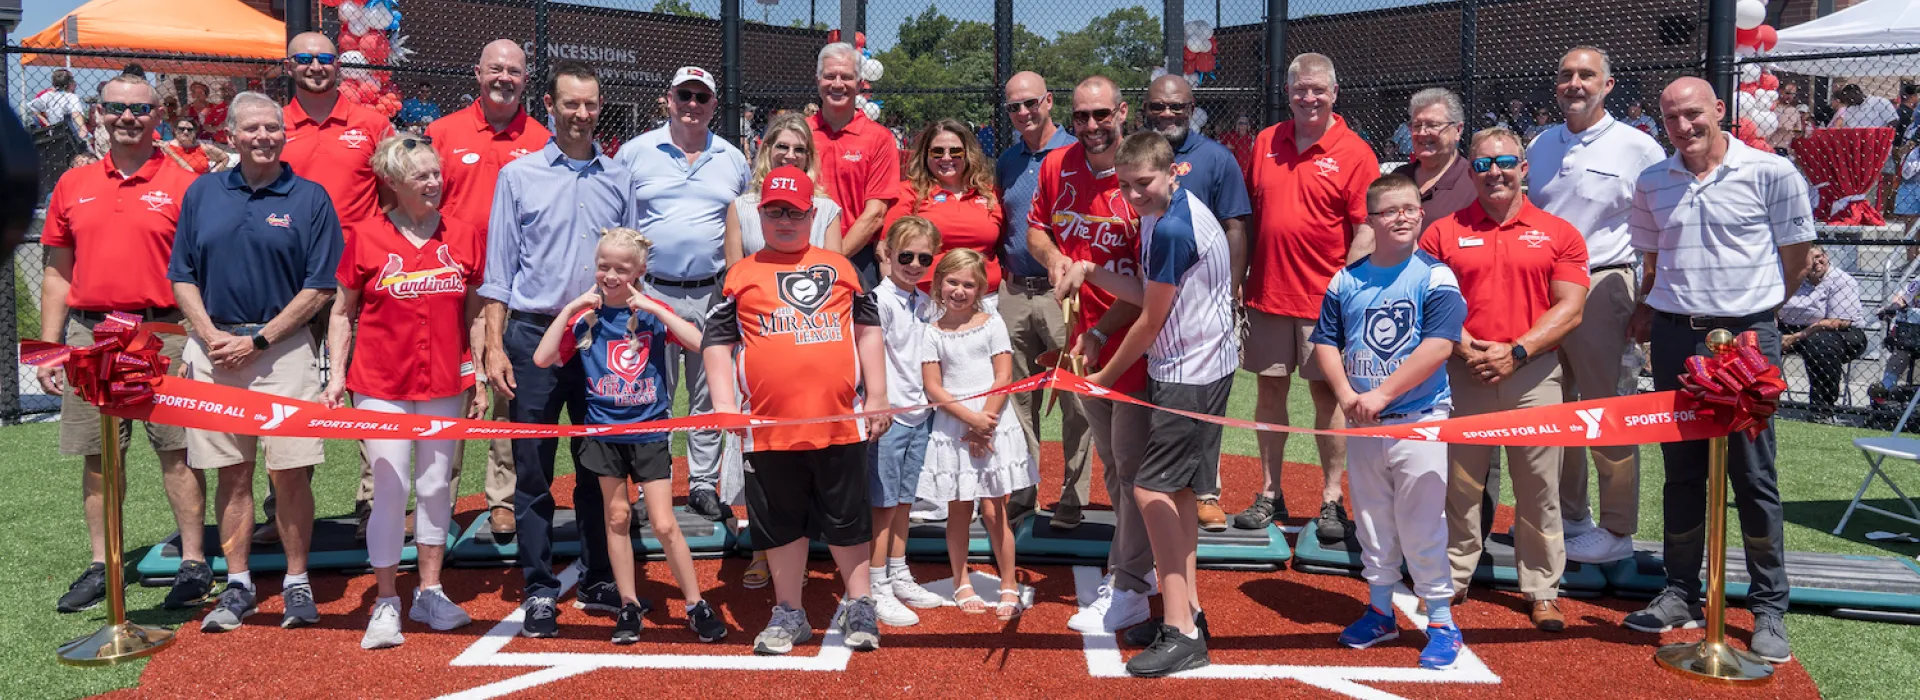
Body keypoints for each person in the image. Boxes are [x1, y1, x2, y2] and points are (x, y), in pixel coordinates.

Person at [1623, 76, 1812, 665]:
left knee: (1753, 475)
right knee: (1681, 471)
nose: (1684, 126)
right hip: (1678, 337)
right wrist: (1649, 311)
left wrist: (1755, 315)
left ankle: (1768, 608)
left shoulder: (1771, 173)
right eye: (1672, 117)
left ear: (1720, 110)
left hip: (1747, 338)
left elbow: (1797, 259)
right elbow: (1651, 263)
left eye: (1694, 113)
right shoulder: (1653, 180)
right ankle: (1679, 591)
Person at [168, 91, 343, 633]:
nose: (264, 137)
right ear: (232, 136)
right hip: (215, 348)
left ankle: (296, 582)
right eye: (252, 129)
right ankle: (238, 583)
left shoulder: (310, 197)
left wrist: (259, 341)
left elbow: (319, 288)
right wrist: (210, 335)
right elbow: (182, 275)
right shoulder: (202, 192)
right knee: (232, 475)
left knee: (291, 473)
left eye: (273, 127)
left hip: (283, 351)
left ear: (283, 134)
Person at [1065, 131, 1238, 676]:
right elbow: (1149, 291)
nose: (1134, 195)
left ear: (1171, 173)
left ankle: (1181, 631)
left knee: (1151, 488)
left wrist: (1104, 377)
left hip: (1191, 370)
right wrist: (1091, 270)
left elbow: (1150, 320)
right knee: (1176, 492)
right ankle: (1186, 612)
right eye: (1125, 186)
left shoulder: (1171, 227)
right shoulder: (1163, 216)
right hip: (1189, 364)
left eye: (1143, 184)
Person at [40, 74, 211, 615]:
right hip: (91, 334)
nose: (127, 118)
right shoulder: (74, 184)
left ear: (158, 114)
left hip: (164, 333)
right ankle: (103, 563)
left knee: (178, 452)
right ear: (99, 113)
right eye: (116, 108)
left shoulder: (188, 184)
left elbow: (204, 269)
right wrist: (49, 347)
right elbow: (55, 273)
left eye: (139, 109)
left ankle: (193, 561)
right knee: (99, 456)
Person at [704, 165, 888, 655]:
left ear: (813, 214)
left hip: (839, 424)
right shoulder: (740, 274)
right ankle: (790, 611)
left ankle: (860, 602)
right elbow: (717, 342)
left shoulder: (841, 268)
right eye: (774, 212)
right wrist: (724, 407)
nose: (785, 221)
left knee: (848, 518)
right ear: (759, 214)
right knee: (780, 522)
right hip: (767, 430)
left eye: (795, 212)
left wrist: (878, 396)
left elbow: (869, 332)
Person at [478, 61, 635, 638]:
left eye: (591, 104)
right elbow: (498, 274)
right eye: (571, 103)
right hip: (533, 338)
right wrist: (494, 348)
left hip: (601, 340)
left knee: (599, 470)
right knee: (533, 473)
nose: (582, 114)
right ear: (549, 104)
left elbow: (634, 266)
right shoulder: (519, 178)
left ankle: (598, 577)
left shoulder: (619, 179)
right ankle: (540, 586)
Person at [1420, 127, 1589, 632]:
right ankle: (1454, 575)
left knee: (1538, 487)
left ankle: (1541, 588)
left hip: (1533, 373)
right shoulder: (1442, 232)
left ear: (1525, 168)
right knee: (1460, 483)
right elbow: (1430, 301)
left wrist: (1517, 351)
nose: (1495, 171)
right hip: (1462, 369)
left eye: (1506, 161)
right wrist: (1467, 345)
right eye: (1483, 164)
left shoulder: (1559, 232)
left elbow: (1572, 306)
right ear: (1470, 171)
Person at [323, 135, 484, 649]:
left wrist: (478, 369)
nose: (434, 182)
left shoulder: (462, 234)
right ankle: (387, 598)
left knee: (437, 485)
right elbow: (342, 311)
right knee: (390, 487)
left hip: (443, 379)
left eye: (436, 173)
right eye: (421, 175)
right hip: (379, 382)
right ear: (393, 181)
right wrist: (333, 375)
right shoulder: (366, 237)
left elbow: (474, 309)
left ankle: (431, 591)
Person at [530, 228, 727, 645]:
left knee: (663, 523)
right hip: (604, 434)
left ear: (639, 271)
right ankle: (629, 603)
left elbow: (700, 342)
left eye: (622, 268)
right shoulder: (587, 316)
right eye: (604, 266)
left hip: (649, 432)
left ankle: (695, 603)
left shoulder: (652, 312)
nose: (611, 275)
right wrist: (570, 309)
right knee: (616, 517)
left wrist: (652, 305)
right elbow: (543, 358)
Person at [1313, 174, 1469, 670]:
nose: (1401, 216)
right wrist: (1346, 394)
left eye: (1409, 208)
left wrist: (1380, 393)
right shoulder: (1347, 279)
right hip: (1364, 421)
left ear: (1421, 215)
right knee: (1375, 522)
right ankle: (1380, 610)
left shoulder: (1435, 275)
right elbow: (1324, 341)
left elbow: (1439, 345)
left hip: (1419, 418)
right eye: (1389, 211)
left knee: (1422, 523)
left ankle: (1442, 620)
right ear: (1371, 220)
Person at [1527, 46, 1668, 565]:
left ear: (1608, 85)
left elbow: (1659, 226)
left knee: (1607, 411)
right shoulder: (1541, 144)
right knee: (1551, 412)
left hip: (1604, 285)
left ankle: (1617, 528)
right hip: (1542, 290)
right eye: (1566, 75)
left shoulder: (1638, 147)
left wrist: (1647, 299)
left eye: (1587, 75)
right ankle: (1571, 517)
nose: (1575, 84)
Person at [1031, 76, 1153, 637]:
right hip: (1085, 344)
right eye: (1081, 117)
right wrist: (1055, 257)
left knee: (1131, 469)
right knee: (1116, 463)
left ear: (1121, 112)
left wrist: (1101, 332)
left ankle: (1128, 580)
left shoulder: (1137, 179)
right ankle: (1138, 569)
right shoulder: (1058, 166)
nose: (1091, 127)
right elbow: (1036, 228)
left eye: (1101, 114)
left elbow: (1151, 290)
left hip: (1130, 345)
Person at [1240, 53, 1379, 539]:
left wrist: (1344, 286)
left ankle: (1331, 499)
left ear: (1334, 93)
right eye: (1300, 88)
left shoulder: (1356, 151)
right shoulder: (1264, 142)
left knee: (1329, 397)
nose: (1309, 97)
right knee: (1269, 393)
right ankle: (1270, 492)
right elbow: (1253, 215)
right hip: (1268, 295)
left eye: (1318, 89)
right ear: (1288, 91)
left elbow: (1367, 227)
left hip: (1326, 303)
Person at [427, 39, 554, 538]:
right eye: (496, 68)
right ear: (477, 72)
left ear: (527, 79)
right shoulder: (442, 132)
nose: (504, 77)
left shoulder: (544, 139)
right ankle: (441, 496)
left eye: (515, 71)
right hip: (449, 281)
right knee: (451, 387)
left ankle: (501, 498)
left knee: (508, 389)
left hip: (513, 284)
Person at [615, 66, 751, 523]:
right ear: (668, 99)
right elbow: (622, 223)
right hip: (653, 290)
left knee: (709, 391)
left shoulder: (732, 158)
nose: (693, 105)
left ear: (714, 105)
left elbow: (742, 225)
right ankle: (646, 484)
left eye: (702, 97)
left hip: (712, 290)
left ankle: (700, 484)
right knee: (648, 390)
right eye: (685, 95)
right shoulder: (636, 153)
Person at [1139, 74, 1253, 532]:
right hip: (1161, 295)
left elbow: (1235, 227)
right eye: (1159, 107)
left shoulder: (1215, 158)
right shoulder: (1141, 155)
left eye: (1178, 107)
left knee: (1204, 400)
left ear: (1193, 108)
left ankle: (1206, 492)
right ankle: (1171, 487)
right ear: (1145, 109)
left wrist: (1233, 287)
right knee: (1165, 400)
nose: (1168, 114)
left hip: (1204, 301)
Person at [995, 71, 1094, 530]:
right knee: (1017, 400)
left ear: (1049, 101)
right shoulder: (1008, 160)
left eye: (1030, 103)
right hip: (1014, 290)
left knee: (1075, 399)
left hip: (1065, 295)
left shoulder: (1078, 153)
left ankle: (1073, 495)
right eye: (1014, 106)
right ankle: (1024, 489)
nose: (1022, 113)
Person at [918, 248, 1034, 621]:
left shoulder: (992, 322)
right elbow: (934, 387)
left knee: (994, 508)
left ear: (980, 288)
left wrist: (986, 420)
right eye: (952, 282)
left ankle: (1009, 584)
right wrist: (969, 419)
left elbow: (1003, 375)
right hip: (955, 428)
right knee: (958, 508)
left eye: (968, 284)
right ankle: (960, 579)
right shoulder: (931, 332)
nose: (959, 291)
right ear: (939, 284)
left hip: (994, 425)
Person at [885, 119, 1007, 310]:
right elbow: (887, 251)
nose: (947, 158)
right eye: (937, 152)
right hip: (927, 301)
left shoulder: (989, 195)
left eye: (956, 151)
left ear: (968, 154)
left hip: (985, 300)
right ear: (926, 155)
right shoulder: (909, 193)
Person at [282, 32, 396, 231]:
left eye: (325, 59)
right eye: (304, 59)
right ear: (288, 67)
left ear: (338, 66)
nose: (316, 67)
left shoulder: (374, 124)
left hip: (357, 251)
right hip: (291, 249)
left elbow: (393, 193)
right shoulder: (273, 127)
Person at [810, 42, 901, 290]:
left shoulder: (879, 138)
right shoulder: (799, 133)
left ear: (860, 84)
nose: (837, 84)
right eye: (829, 76)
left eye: (847, 77)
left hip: (856, 258)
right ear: (818, 80)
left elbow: (875, 214)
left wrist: (832, 260)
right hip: (798, 253)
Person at [726, 113, 845, 263]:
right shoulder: (741, 207)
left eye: (799, 149)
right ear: (767, 149)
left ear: (808, 156)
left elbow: (834, 272)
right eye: (782, 146)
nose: (790, 156)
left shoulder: (827, 209)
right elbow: (734, 276)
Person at [1780, 246, 1867, 420]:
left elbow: (1838, 321)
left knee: (1821, 344)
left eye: (1820, 256)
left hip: (1839, 331)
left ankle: (1822, 411)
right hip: (1791, 327)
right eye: (1810, 259)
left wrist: (1796, 337)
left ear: (1826, 256)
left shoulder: (1842, 280)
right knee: (1761, 339)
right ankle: (1762, 405)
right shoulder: (1792, 278)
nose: (1816, 262)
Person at [1391, 89, 1475, 233]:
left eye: (1432, 125)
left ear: (1458, 130)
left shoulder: (1473, 181)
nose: (1422, 133)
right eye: (1417, 126)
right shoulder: (1398, 178)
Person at [159, 114, 230, 174]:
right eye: (181, 129)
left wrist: (210, 176)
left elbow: (225, 158)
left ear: (195, 132)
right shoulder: (165, 147)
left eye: (190, 130)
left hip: (197, 185)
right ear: (175, 130)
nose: (185, 132)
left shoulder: (203, 147)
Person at [1832, 84, 1899, 129]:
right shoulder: (1850, 109)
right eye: (1846, 100)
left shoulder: (1879, 102)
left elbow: (1893, 122)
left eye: (1850, 98)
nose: (1849, 102)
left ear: (1857, 93)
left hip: (1876, 143)